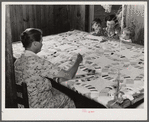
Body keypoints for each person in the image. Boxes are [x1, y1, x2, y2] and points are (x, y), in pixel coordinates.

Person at [14, 28, 83, 108]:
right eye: (41, 41)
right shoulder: (40, 63)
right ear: (35, 44)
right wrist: (77, 61)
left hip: (23, 103)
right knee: (68, 97)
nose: (42, 44)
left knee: (56, 89)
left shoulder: (17, 61)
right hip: (38, 105)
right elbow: (68, 75)